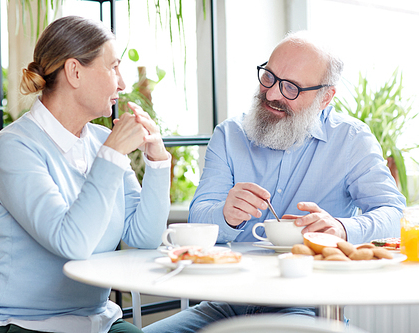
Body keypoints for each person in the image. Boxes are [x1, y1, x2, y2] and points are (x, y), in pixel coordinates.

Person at [143, 30, 405, 333]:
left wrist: (342, 229)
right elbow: (198, 215)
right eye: (268, 76)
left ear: (325, 97)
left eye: (291, 87)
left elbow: (394, 214)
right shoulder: (229, 135)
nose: (272, 94)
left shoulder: (351, 140)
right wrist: (226, 214)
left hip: (306, 308)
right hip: (225, 301)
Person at [0, 16, 171, 333]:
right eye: (113, 68)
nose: (122, 84)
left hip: (97, 321)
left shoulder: (99, 140)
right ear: (75, 72)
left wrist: (158, 161)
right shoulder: (14, 148)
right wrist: (111, 155)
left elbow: (145, 238)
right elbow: (72, 243)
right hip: (25, 324)